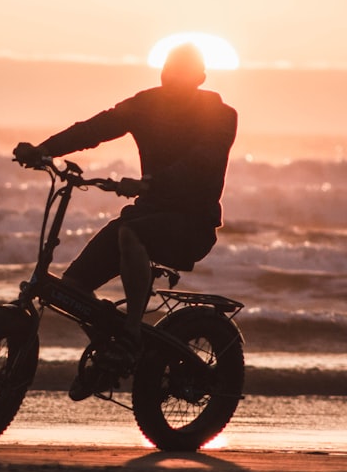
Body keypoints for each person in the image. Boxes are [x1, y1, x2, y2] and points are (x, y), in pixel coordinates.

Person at [13, 42, 238, 357]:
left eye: (181, 74)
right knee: (74, 285)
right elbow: (95, 128)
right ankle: (108, 349)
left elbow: (201, 162)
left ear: (200, 78)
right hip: (145, 214)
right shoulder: (147, 105)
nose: (172, 80)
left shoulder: (221, 116)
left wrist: (149, 183)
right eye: (168, 72)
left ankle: (131, 333)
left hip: (193, 224)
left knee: (130, 233)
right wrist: (44, 150)